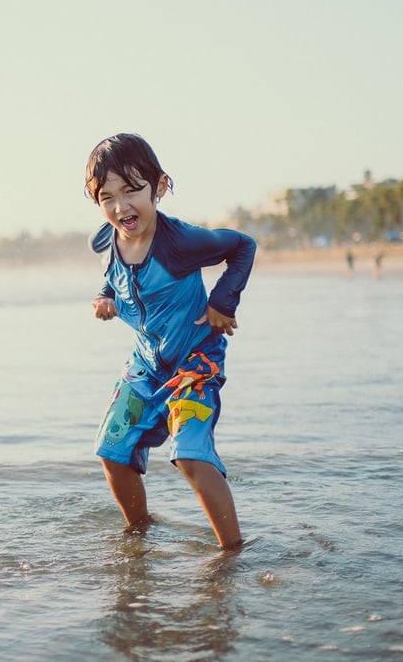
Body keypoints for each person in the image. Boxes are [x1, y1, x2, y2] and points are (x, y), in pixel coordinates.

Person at [84, 133, 257, 551]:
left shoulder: (180, 243)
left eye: (131, 190)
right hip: (145, 365)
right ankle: (139, 533)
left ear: (159, 186)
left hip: (195, 361)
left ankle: (232, 551)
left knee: (190, 455)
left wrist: (222, 302)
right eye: (107, 197)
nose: (121, 207)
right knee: (111, 448)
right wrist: (106, 296)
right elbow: (111, 271)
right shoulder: (106, 239)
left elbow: (242, 246)